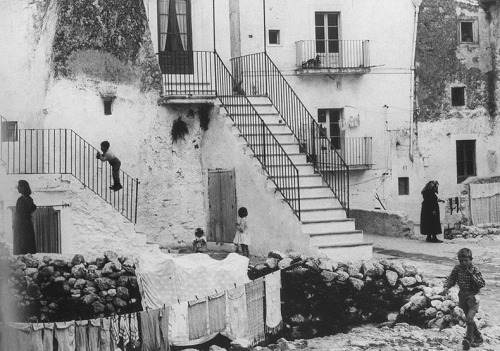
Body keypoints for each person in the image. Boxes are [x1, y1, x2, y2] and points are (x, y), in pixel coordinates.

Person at [440, 248, 485, 350]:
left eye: (466, 260)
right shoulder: (457, 269)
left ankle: (468, 339)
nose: (464, 263)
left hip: (473, 296)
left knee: (469, 318)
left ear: (471, 259)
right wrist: (446, 287)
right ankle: (478, 337)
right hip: (463, 296)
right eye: (461, 261)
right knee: (468, 319)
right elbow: (452, 278)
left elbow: (482, 283)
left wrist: (471, 275)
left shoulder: (475, 270)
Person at [13, 180, 37, 255]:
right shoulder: (29, 198)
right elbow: (33, 207)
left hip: (21, 225)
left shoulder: (21, 200)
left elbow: (18, 214)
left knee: (21, 247)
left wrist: (15, 224)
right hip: (28, 225)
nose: (18, 188)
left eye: (19, 186)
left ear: (23, 188)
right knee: (28, 246)